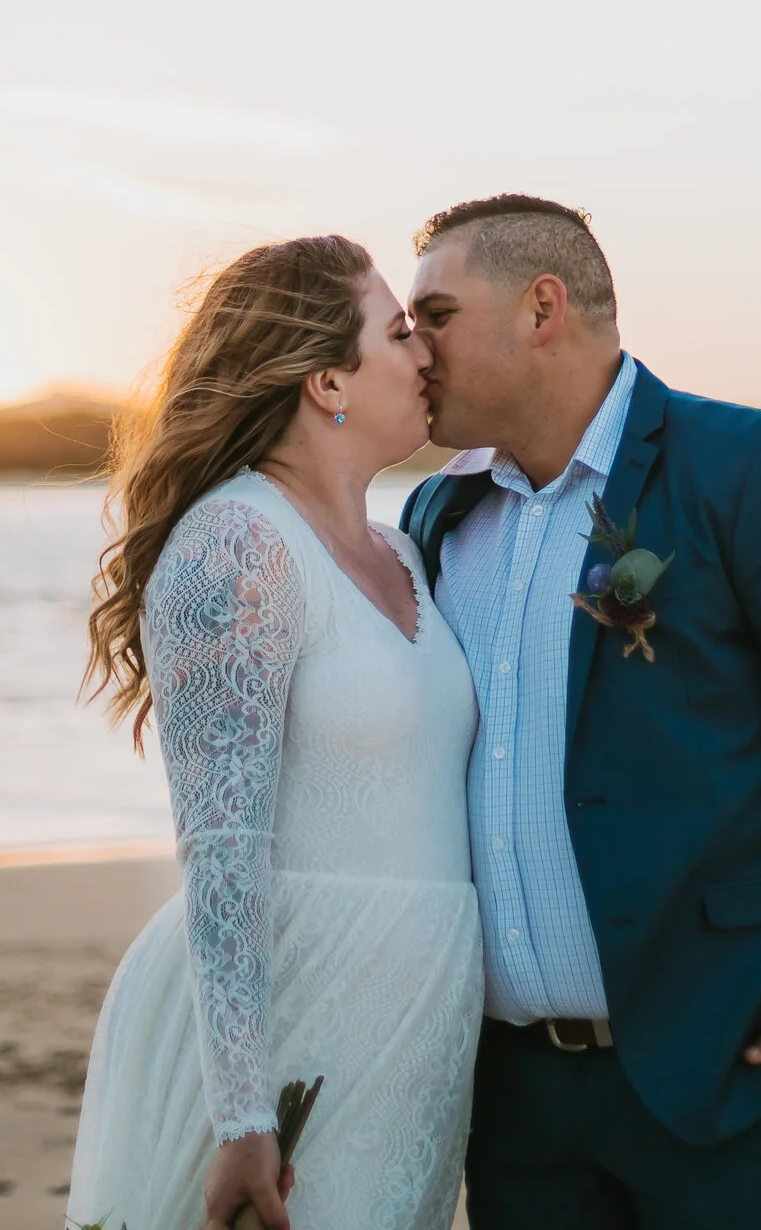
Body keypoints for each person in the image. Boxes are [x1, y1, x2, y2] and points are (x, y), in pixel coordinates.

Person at [401, 194, 761, 1229]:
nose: (409, 343)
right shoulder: (439, 511)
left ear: (541, 306)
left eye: (432, 314)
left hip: (730, 1075)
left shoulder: (756, 470)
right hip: (512, 1103)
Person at [69, 235, 481, 1230]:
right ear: (327, 377)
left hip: (405, 1027)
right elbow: (222, 844)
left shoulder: (407, 552)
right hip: (282, 1037)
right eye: (398, 331)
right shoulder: (237, 544)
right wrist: (243, 1109)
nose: (426, 351)